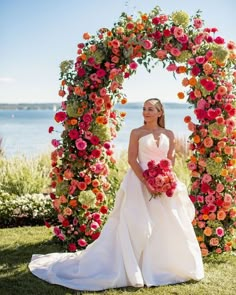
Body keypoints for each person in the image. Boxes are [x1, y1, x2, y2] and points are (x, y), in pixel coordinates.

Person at [29, 98, 204, 291]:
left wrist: (165, 180)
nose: (146, 112)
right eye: (144, 108)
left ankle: (163, 267)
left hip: (164, 183)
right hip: (139, 181)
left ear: (160, 113)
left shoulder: (168, 134)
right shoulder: (136, 133)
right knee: (137, 225)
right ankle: (134, 268)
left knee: (168, 223)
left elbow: (169, 160)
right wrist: (147, 181)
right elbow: (131, 159)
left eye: (151, 109)